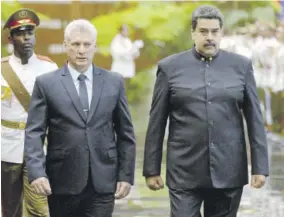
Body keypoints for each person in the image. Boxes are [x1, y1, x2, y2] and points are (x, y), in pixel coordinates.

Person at [143, 5, 269, 217]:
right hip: (184, 169)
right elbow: (157, 122)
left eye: (214, 31)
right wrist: (151, 169)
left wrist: (260, 167)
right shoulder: (169, 68)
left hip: (229, 169)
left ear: (221, 33)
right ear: (193, 33)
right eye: (203, 31)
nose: (209, 37)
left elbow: (255, 120)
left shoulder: (241, 67)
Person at [24, 19, 136, 217]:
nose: (81, 50)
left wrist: (126, 175)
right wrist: (36, 172)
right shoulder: (46, 84)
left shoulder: (113, 82)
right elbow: (34, 132)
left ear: (95, 46)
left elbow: (125, 132)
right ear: (66, 46)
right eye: (76, 44)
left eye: (87, 44)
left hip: (103, 180)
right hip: (61, 181)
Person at [1, 8, 58, 217]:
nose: (26, 38)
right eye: (20, 33)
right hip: (6, 146)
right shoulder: (1, 69)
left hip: (39, 148)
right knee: (10, 208)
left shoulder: (49, 68)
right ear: (10, 38)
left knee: (39, 208)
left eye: (30, 33)